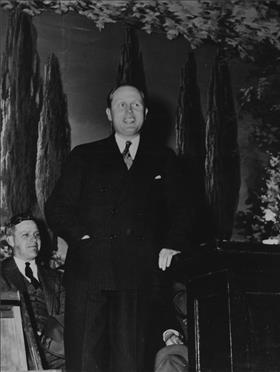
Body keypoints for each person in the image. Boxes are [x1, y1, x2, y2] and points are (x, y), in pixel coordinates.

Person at [45, 84, 191, 372]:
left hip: (138, 277)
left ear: (146, 114)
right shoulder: (84, 155)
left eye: (135, 105)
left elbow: (185, 209)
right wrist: (83, 239)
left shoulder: (164, 159)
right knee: (86, 360)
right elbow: (57, 207)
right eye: (121, 105)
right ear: (108, 113)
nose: (128, 111)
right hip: (90, 273)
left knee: (130, 361)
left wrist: (172, 243)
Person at [1, 214, 65, 370]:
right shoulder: (1, 275)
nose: (33, 240)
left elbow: (66, 318)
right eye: (26, 235)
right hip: (15, 355)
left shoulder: (56, 278)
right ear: (10, 240)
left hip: (59, 355)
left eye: (37, 235)